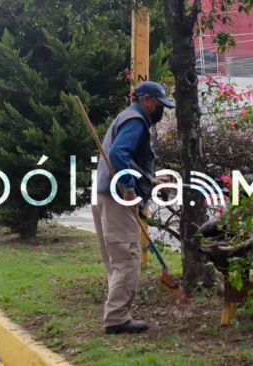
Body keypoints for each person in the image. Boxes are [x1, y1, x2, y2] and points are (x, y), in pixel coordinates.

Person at [93, 81, 175, 334]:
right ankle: (117, 318)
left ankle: (117, 313)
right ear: (146, 100)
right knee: (128, 258)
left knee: (117, 259)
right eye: (159, 104)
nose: (160, 109)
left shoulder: (127, 117)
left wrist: (148, 179)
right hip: (118, 197)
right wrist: (128, 188)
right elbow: (118, 155)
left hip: (106, 194)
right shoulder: (136, 120)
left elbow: (125, 158)